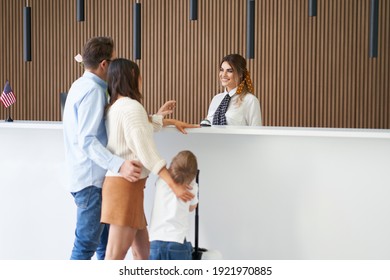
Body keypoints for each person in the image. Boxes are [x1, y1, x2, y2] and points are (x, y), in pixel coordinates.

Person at [101, 58, 197, 260]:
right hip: (125, 188)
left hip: (128, 187)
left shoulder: (117, 107)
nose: (142, 80)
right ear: (132, 77)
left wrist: (168, 120)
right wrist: (174, 184)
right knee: (115, 256)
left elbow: (143, 126)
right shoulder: (131, 107)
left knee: (143, 255)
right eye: (139, 75)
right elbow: (147, 152)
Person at [63, 37, 142, 260]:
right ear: (104, 64)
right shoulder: (93, 91)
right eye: (113, 61)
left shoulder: (80, 85)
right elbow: (87, 140)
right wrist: (120, 165)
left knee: (105, 247)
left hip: (88, 180)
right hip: (92, 182)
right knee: (86, 246)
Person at [148, 150, 198, 260]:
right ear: (193, 175)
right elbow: (192, 208)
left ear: (172, 166)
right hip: (178, 242)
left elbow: (163, 171)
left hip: (154, 242)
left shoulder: (161, 180)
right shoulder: (192, 186)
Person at [205, 54, 262, 126]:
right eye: (222, 70)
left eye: (229, 71)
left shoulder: (250, 100)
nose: (223, 74)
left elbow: (256, 133)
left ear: (240, 74)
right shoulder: (216, 99)